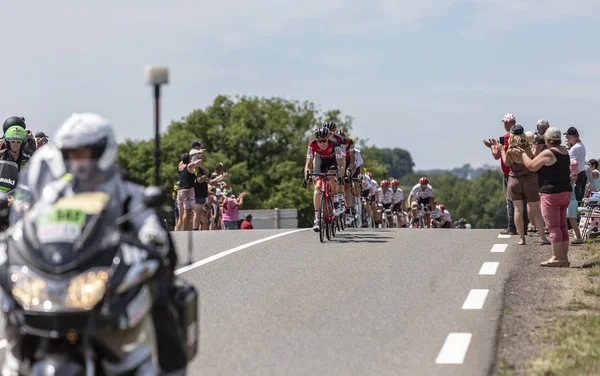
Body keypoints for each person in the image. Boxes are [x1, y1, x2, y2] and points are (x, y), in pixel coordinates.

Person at [8, 113, 189, 375]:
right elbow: (26, 225)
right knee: (15, 312)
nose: (79, 161)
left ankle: (173, 370)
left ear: (104, 151)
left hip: (105, 276)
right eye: (71, 154)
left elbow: (150, 225)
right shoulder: (54, 194)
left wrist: (151, 239)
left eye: (86, 153)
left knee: (159, 299)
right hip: (59, 279)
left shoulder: (127, 192)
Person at [521, 127, 571, 267]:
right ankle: (564, 257)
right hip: (565, 192)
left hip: (551, 193)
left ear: (548, 140)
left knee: (553, 227)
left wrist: (523, 154)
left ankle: (557, 257)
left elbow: (531, 166)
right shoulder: (565, 151)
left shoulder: (549, 153)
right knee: (562, 226)